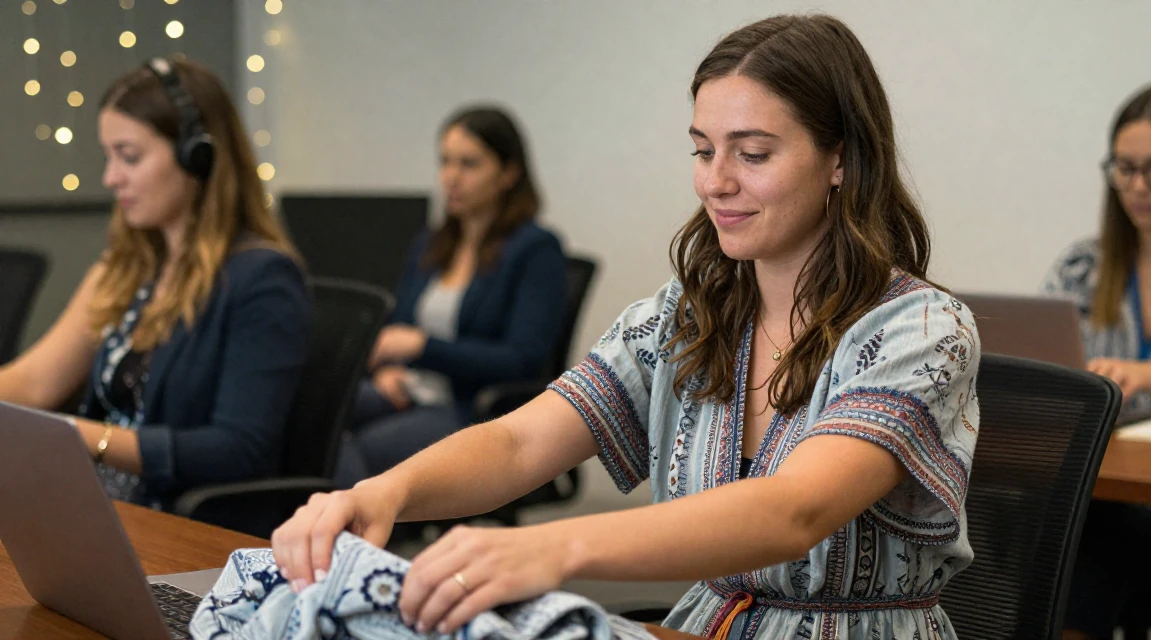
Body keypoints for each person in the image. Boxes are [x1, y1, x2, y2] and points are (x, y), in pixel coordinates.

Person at [273, 14, 980, 640]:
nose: (715, 181)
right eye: (703, 150)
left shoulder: (924, 330)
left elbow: (794, 510)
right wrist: (381, 495)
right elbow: (522, 442)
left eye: (753, 153)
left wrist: (554, 549)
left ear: (841, 160)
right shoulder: (685, 315)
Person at [0, 57, 312, 510]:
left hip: (174, 520)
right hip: (97, 506)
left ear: (197, 157)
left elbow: (237, 450)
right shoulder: (126, 268)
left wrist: (83, 437)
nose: (111, 178)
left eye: (129, 156)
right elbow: (33, 383)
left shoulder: (263, 280)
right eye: (109, 157)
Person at [334, 106, 568, 488]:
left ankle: (367, 543)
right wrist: (387, 370)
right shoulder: (431, 244)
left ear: (508, 173)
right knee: (309, 417)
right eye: (445, 162)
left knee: (357, 448)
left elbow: (521, 361)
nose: (451, 178)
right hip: (408, 390)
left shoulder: (536, 250)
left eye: (469, 164)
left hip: (472, 409)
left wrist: (421, 347)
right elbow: (398, 325)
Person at [1043, 83, 1151, 640]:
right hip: (1101, 495)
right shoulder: (1084, 266)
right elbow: (1045, 369)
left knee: (1088, 537)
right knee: (1060, 527)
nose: (1138, 185)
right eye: (1125, 167)